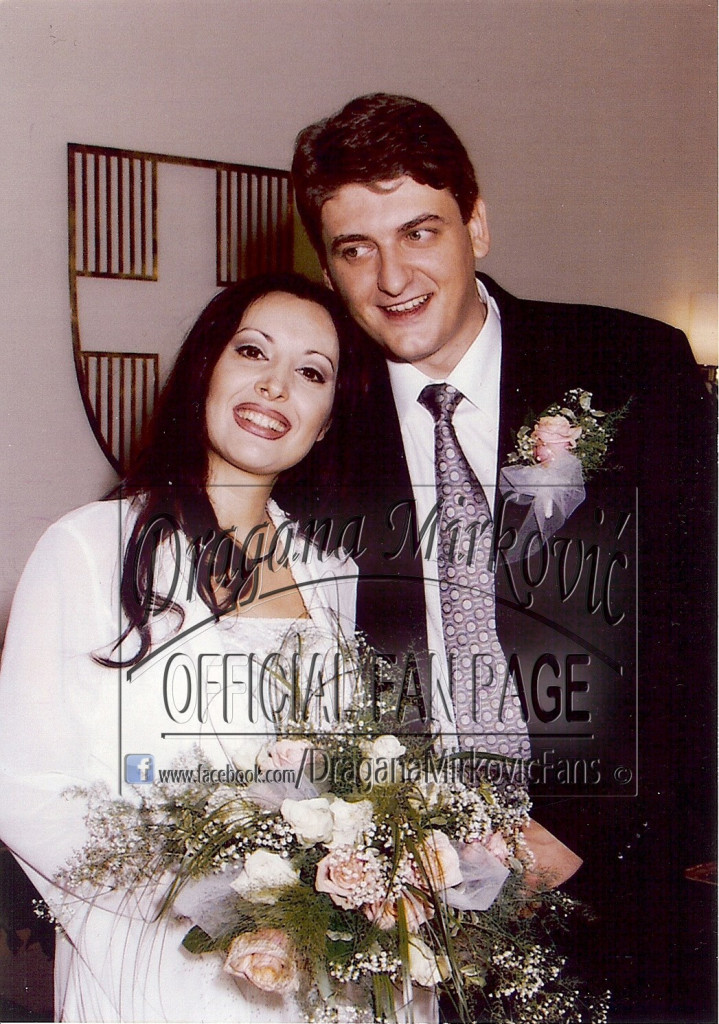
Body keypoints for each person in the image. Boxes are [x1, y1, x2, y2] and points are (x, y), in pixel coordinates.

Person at [286, 94, 717, 1022]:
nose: (391, 277)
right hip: (412, 911)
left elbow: (700, 623)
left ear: (475, 224)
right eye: (355, 249)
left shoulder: (628, 366)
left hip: (631, 881)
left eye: (419, 232)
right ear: (327, 266)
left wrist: (594, 831)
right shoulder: (314, 427)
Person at [0, 272, 360, 1022]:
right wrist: (201, 901)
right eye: (252, 351)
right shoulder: (89, 547)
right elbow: (21, 785)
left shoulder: (333, 573)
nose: (275, 386)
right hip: (152, 964)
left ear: (327, 421)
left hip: (311, 974)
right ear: (205, 370)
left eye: (311, 372)